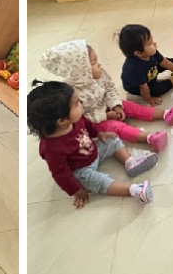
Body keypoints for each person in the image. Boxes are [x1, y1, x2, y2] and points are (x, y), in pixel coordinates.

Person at [39, 38, 173, 150]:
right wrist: (106, 116)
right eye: (94, 63)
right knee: (117, 127)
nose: (99, 65)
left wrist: (116, 105)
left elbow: (110, 88)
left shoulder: (100, 75)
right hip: (97, 121)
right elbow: (80, 119)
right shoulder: (71, 94)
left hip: (107, 106)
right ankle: (148, 138)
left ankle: (166, 114)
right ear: (80, 71)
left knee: (131, 106)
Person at [27, 81, 156, 207]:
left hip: (93, 149)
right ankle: (134, 190)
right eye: (76, 104)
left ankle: (130, 162)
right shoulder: (52, 149)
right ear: (61, 121)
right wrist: (77, 191)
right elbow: (61, 174)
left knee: (112, 139)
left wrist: (99, 134)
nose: (81, 104)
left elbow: (88, 125)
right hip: (81, 169)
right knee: (98, 181)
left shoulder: (76, 119)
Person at [118, 24, 173, 104]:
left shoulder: (151, 53)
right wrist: (149, 99)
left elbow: (165, 62)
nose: (155, 43)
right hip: (138, 86)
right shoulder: (135, 68)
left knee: (168, 60)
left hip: (151, 71)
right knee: (156, 91)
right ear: (138, 53)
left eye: (152, 40)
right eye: (150, 43)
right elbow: (144, 88)